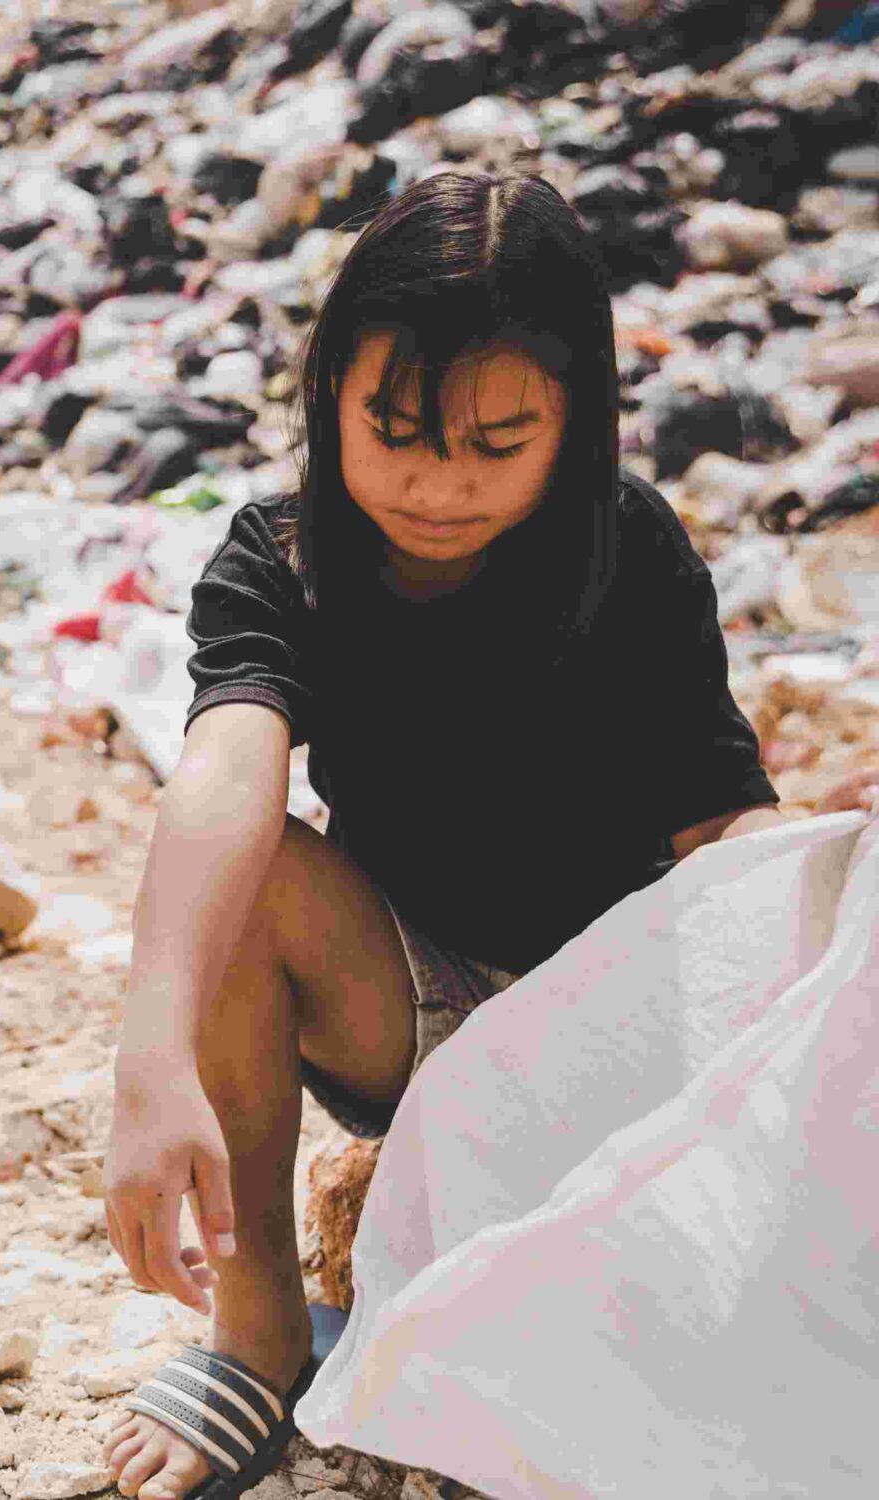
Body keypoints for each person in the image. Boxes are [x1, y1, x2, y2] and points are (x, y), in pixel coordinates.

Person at [99, 171, 879, 1500]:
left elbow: (719, 820)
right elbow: (231, 761)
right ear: (327, 391)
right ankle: (262, 1334)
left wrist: (811, 913)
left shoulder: (626, 555)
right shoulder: (282, 561)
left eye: (496, 443)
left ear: (574, 426)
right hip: (418, 1015)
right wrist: (151, 1037)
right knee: (251, 878)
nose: (436, 483)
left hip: (612, 1038)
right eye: (393, 429)